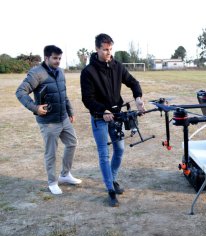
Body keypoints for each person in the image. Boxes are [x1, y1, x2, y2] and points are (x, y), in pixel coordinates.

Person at [81, 33, 146, 207]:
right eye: (105, 50)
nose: (108, 53)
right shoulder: (88, 72)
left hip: (116, 116)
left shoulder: (117, 66)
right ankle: (110, 189)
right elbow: (87, 99)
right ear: (96, 49)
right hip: (99, 118)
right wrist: (102, 111)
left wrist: (138, 98)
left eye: (110, 49)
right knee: (104, 153)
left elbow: (132, 81)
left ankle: (112, 178)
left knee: (119, 150)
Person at [16, 45, 82, 195]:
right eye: (55, 58)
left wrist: (70, 111)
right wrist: (35, 108)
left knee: (72, 143)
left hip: (63, 117)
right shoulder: (36, 73)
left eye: (59, 58)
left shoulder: (60, 72)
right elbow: (20, 92)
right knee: (51, 152)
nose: (58, 61)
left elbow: (63, 94)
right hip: (48, 122)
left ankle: (65, 175)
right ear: (46, 58)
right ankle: (52, 182)